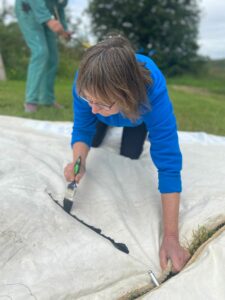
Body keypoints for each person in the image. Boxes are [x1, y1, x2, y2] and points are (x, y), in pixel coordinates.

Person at [64, 35, 190, 272]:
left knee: (130, 154)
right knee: (95, 141)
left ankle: (125, 120)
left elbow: (168, 157)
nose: (91, 107)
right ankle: (107, 118)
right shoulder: (85, 84)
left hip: (137, 116)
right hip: (111, 107)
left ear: (126, 95)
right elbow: (83, 126)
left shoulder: (152, 89)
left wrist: (171, 236)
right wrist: (78, 161)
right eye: (88, 99)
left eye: (100, 103)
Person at [15, 0, 71, 113]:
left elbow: (59, 8)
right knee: (40, 51)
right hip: (28, 8)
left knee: (52, 57)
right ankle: (30, 101)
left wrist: (64, 29)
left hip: (47, 14)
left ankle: (47, 99)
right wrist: (49, 20)